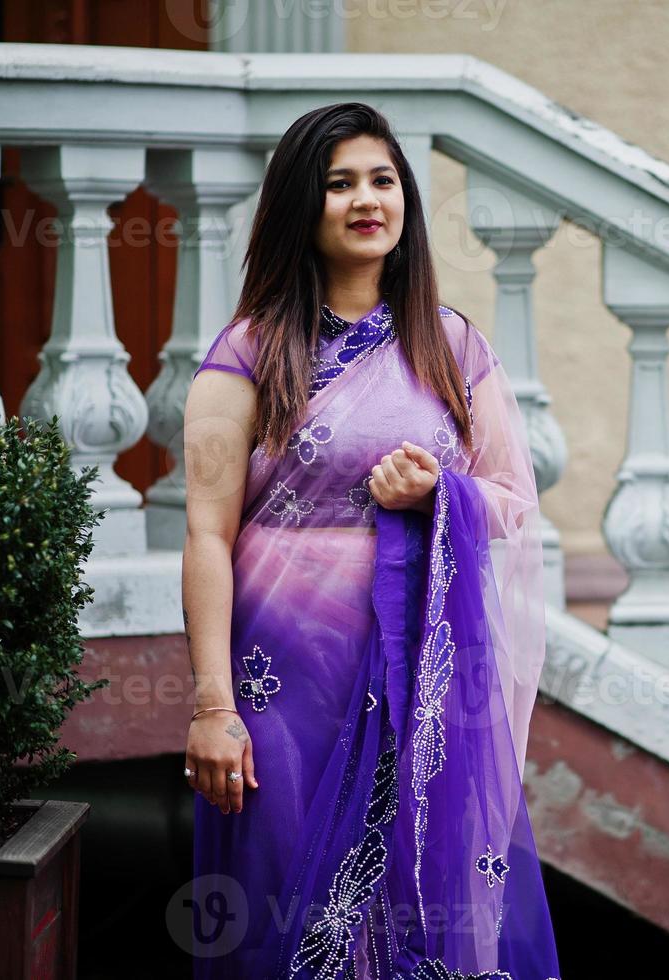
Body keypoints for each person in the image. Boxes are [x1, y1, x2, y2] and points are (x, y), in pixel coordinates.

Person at [180, 102, 561, 978]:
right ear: (298, 206)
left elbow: (512, 501)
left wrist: (441, 493)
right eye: (338, 182)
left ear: (405, 203)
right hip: (276, 680)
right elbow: (206, 534)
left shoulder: (451, 344)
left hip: (417, 677)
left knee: (412, 892)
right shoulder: (249, 352)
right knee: (288, 893)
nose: (365, 199)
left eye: (381, 180)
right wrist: (211, 707)